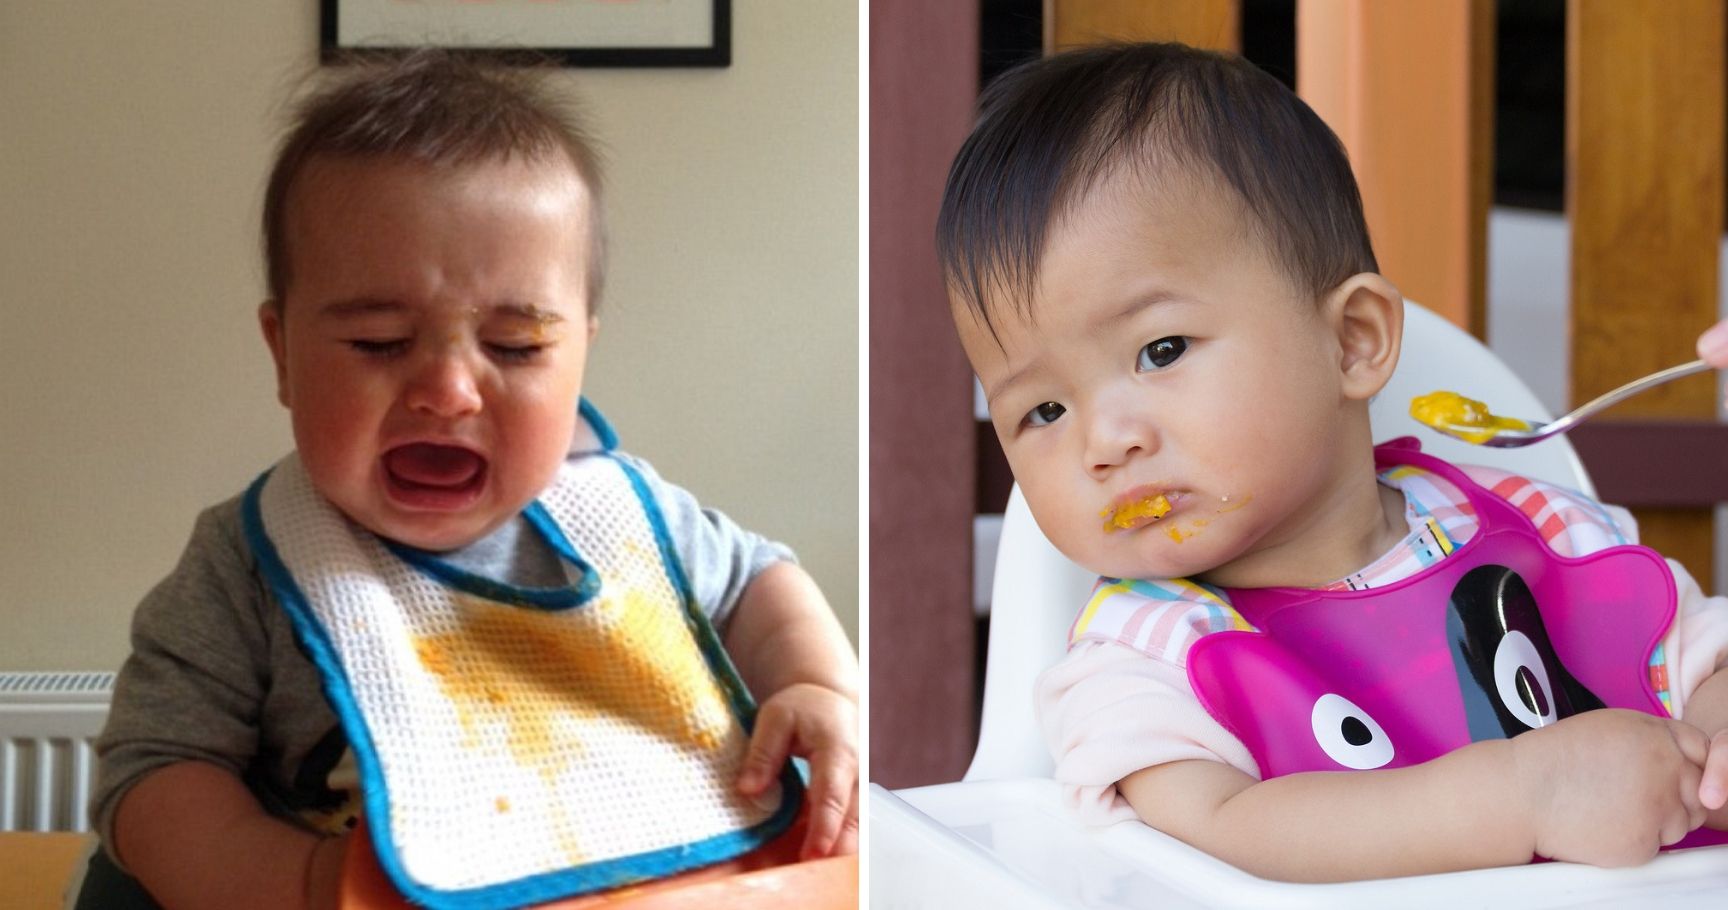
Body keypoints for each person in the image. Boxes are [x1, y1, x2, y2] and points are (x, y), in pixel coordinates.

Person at [78, 52, 857, 910]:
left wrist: (814, 684)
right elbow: (154, 776)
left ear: (580, 352)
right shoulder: (250, 562)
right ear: (283, 355)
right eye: (378, 340)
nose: (447, 392)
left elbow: (759, 580)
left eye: (516, 347)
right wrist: (295, 883)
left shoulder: (630, 520)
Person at [936, 41, 1728, 883]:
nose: (1105, 441)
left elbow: (1699, 664)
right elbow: (1225, 831)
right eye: (1043, 411)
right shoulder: (1142, 658)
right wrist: (1522, 798)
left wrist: (1712, 749)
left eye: (1161, 349)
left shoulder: (1538, 531)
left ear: (1352, 341)